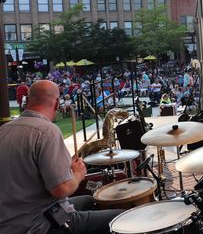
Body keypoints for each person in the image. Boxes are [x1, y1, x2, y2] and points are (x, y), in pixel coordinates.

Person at [0, 80, 124, 233]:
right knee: (121, 217)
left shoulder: (4, 130)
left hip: (12, 220)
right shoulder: (47, 131)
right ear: (57, 103)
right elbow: (61, 189)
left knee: (89, 200)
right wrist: (77, 174)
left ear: (29, 99)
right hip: (38, 225)